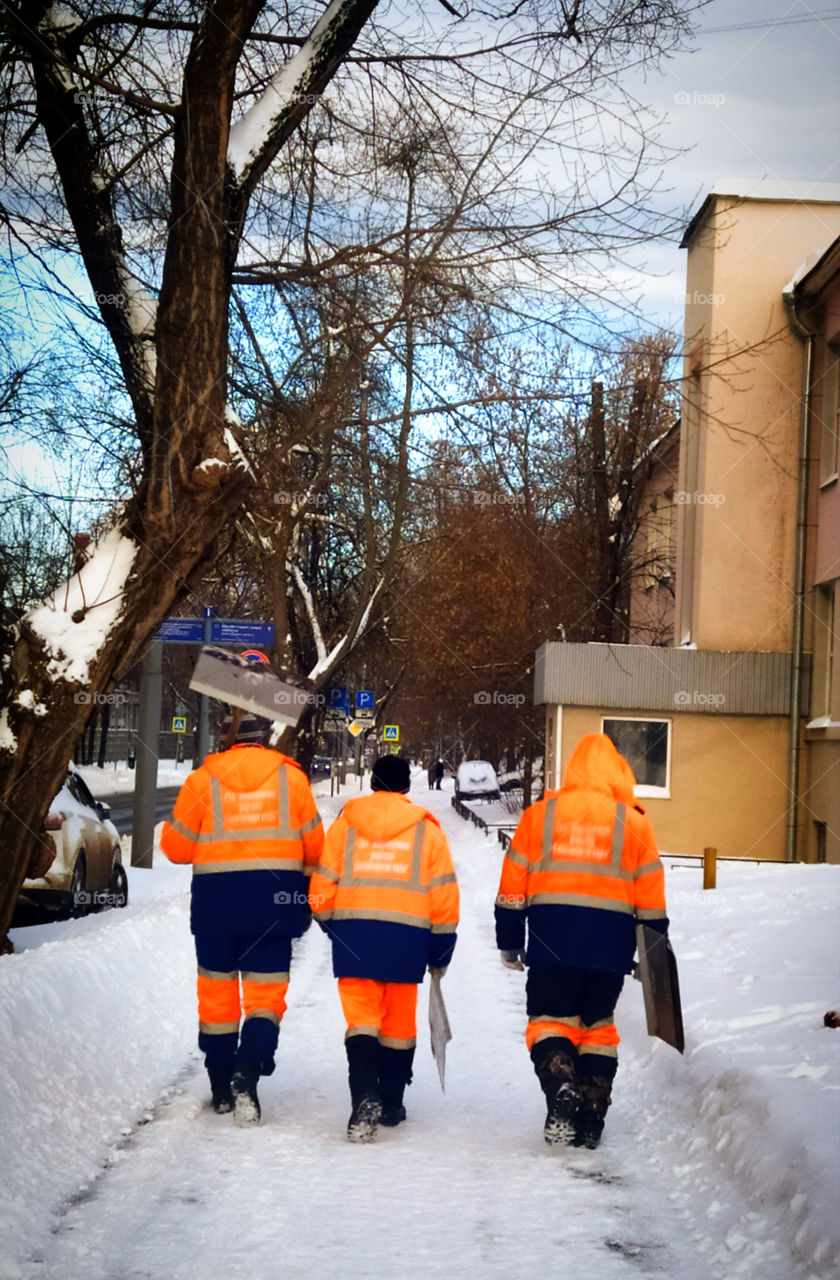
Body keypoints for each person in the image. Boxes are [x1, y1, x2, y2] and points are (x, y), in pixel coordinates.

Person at [495, 733, 668, 1149]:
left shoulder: (541, 815)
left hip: (552, 942)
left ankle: (560, 1088)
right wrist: (652, 954)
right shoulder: (636, 821)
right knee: (598, 1029)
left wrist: (509, 938)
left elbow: (513, 881)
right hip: (610, 948)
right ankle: (591, 1118)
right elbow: (650, 895)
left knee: (550, 1021)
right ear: (619, 773)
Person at [161, 708, 324, 1125]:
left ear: (229, 740)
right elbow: (315, 849)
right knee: (265, 998)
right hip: (273, 904)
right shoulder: (292, 780)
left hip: (216, 906)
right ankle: (247, 1072)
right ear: (266, 739)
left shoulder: (202, 780)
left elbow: (176, 850)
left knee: (217, 999)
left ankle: (220, 1088)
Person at [310, 755, 459, 1142]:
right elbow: (444, 895)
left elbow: (321, 888)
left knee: (361, 1022)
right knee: (397, 1025)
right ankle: (392, 1104)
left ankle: (364, 1098)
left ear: (373, 783)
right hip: (406, 942)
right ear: (406, 787)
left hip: (355, 940)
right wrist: (440, 948)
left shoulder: (345, 826)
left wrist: (332, 926)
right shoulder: (428, 833)